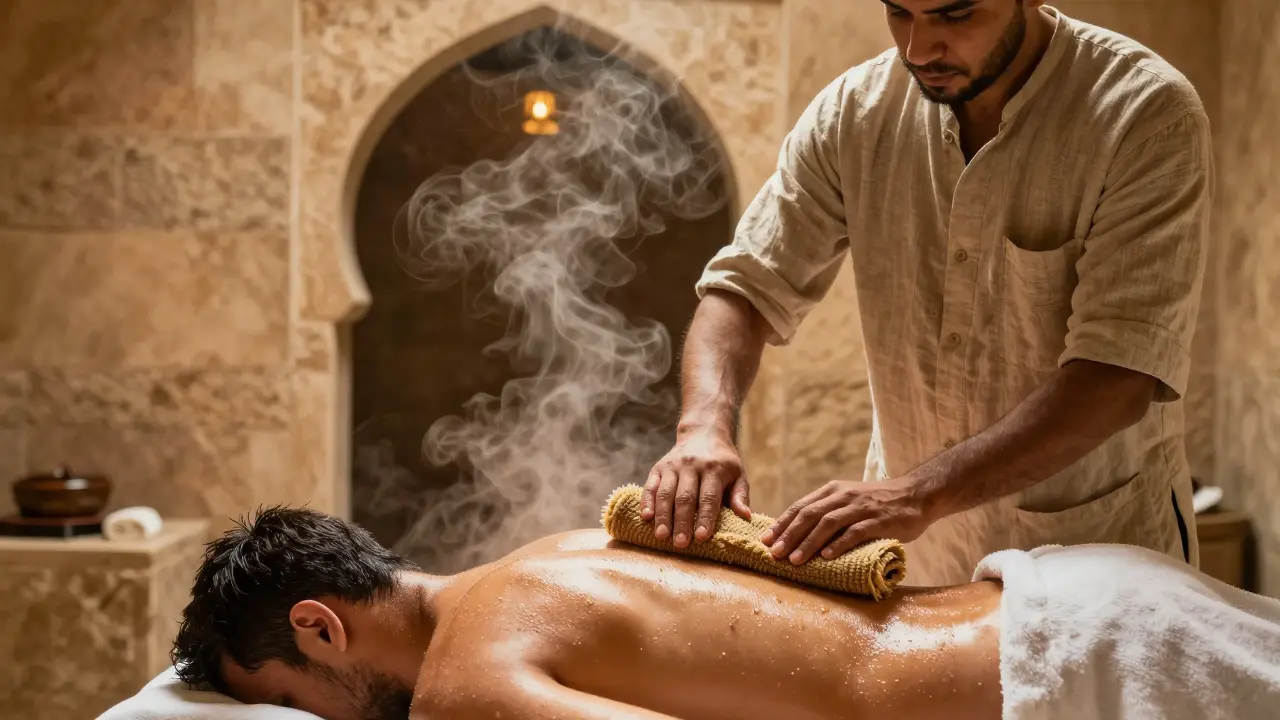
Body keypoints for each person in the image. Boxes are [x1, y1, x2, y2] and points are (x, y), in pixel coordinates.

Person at [643, 0, 1213, 584]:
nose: (918, 49)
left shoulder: (1145, 113)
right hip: (916, 564)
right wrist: (703, 427)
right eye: (899, 12)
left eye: (956, 16)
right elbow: (745, 289)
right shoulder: (854, 113)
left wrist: (917, 493)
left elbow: (1117, 377)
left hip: (1097, 563)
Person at [170, 507, 1280, 720]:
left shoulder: (465, 686)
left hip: (1066, 678)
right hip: (1072, 597)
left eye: (296, 704)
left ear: (318, 628)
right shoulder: (554, 551)